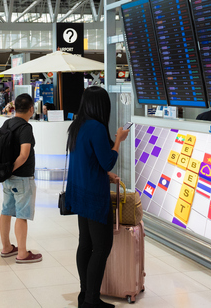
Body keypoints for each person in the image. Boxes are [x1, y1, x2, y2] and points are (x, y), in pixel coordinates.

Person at [65, 86, 130, 308]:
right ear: (102, 106)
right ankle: (92, 300)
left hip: (79, 191)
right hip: (94, 195)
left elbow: (89, 159)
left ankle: (85, 295)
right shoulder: (97, 127)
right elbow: (108, 160)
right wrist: (119, 140)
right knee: (101, 247)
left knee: (85, 244)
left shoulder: (77, 125)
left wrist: (105, 174)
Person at [0, 93, 41, 264]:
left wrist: (6, 172)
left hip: (7, 179)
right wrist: (11, 170)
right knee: (21, 215)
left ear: (15, 107)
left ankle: (6, 247)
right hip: (21, 177)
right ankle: (22, 253)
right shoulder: (25, 128)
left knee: (6, 211)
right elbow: (24, 155)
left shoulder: (7, 123)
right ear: (31, 109)